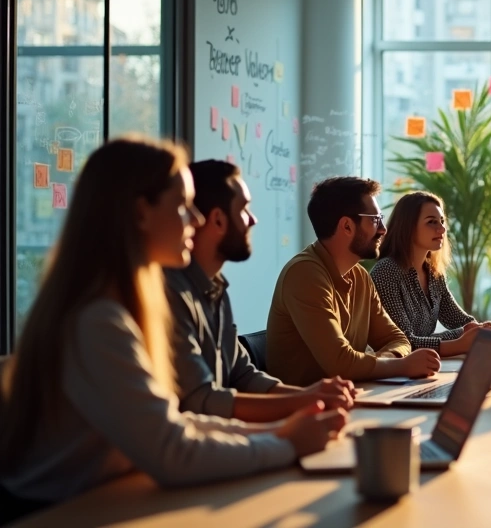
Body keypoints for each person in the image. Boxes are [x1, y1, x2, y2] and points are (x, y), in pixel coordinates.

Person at [0, 137, 345, 518]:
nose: (195, 220)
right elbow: (172, 451)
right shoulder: (97, 322)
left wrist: (280, 432)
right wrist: (287, 445)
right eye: (183, 206)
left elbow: (176, 424)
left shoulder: (114, 311)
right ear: (141, 213)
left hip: (106, 502)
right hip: (57, 515)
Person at [165, 160, 356, 422]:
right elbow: (201, 401)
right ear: (218, 219)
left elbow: (243, 375)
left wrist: (312, 397)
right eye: (244, 209)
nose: (253, 219)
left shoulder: (216, 288)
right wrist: (303, 404)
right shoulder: (171, 294)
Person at [265, 177, 441, 386]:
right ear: (347, 226)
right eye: (375, 220)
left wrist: (382, 361)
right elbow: (341, 364)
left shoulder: (360, 276)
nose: (383, 229)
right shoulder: (304, 274)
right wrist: (402, 365)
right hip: (304, 403)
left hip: (352, 395)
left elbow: (398, 340)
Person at [370, 191, 491, 358]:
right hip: (390, 369)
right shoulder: (386, 272)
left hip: (422, 366)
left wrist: (479, 329)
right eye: (431, 222)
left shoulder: (434, 274)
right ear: (408, 227)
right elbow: (404, 343)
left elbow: (460, 321)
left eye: (442, 221)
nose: (442, 229)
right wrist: (460, 340)